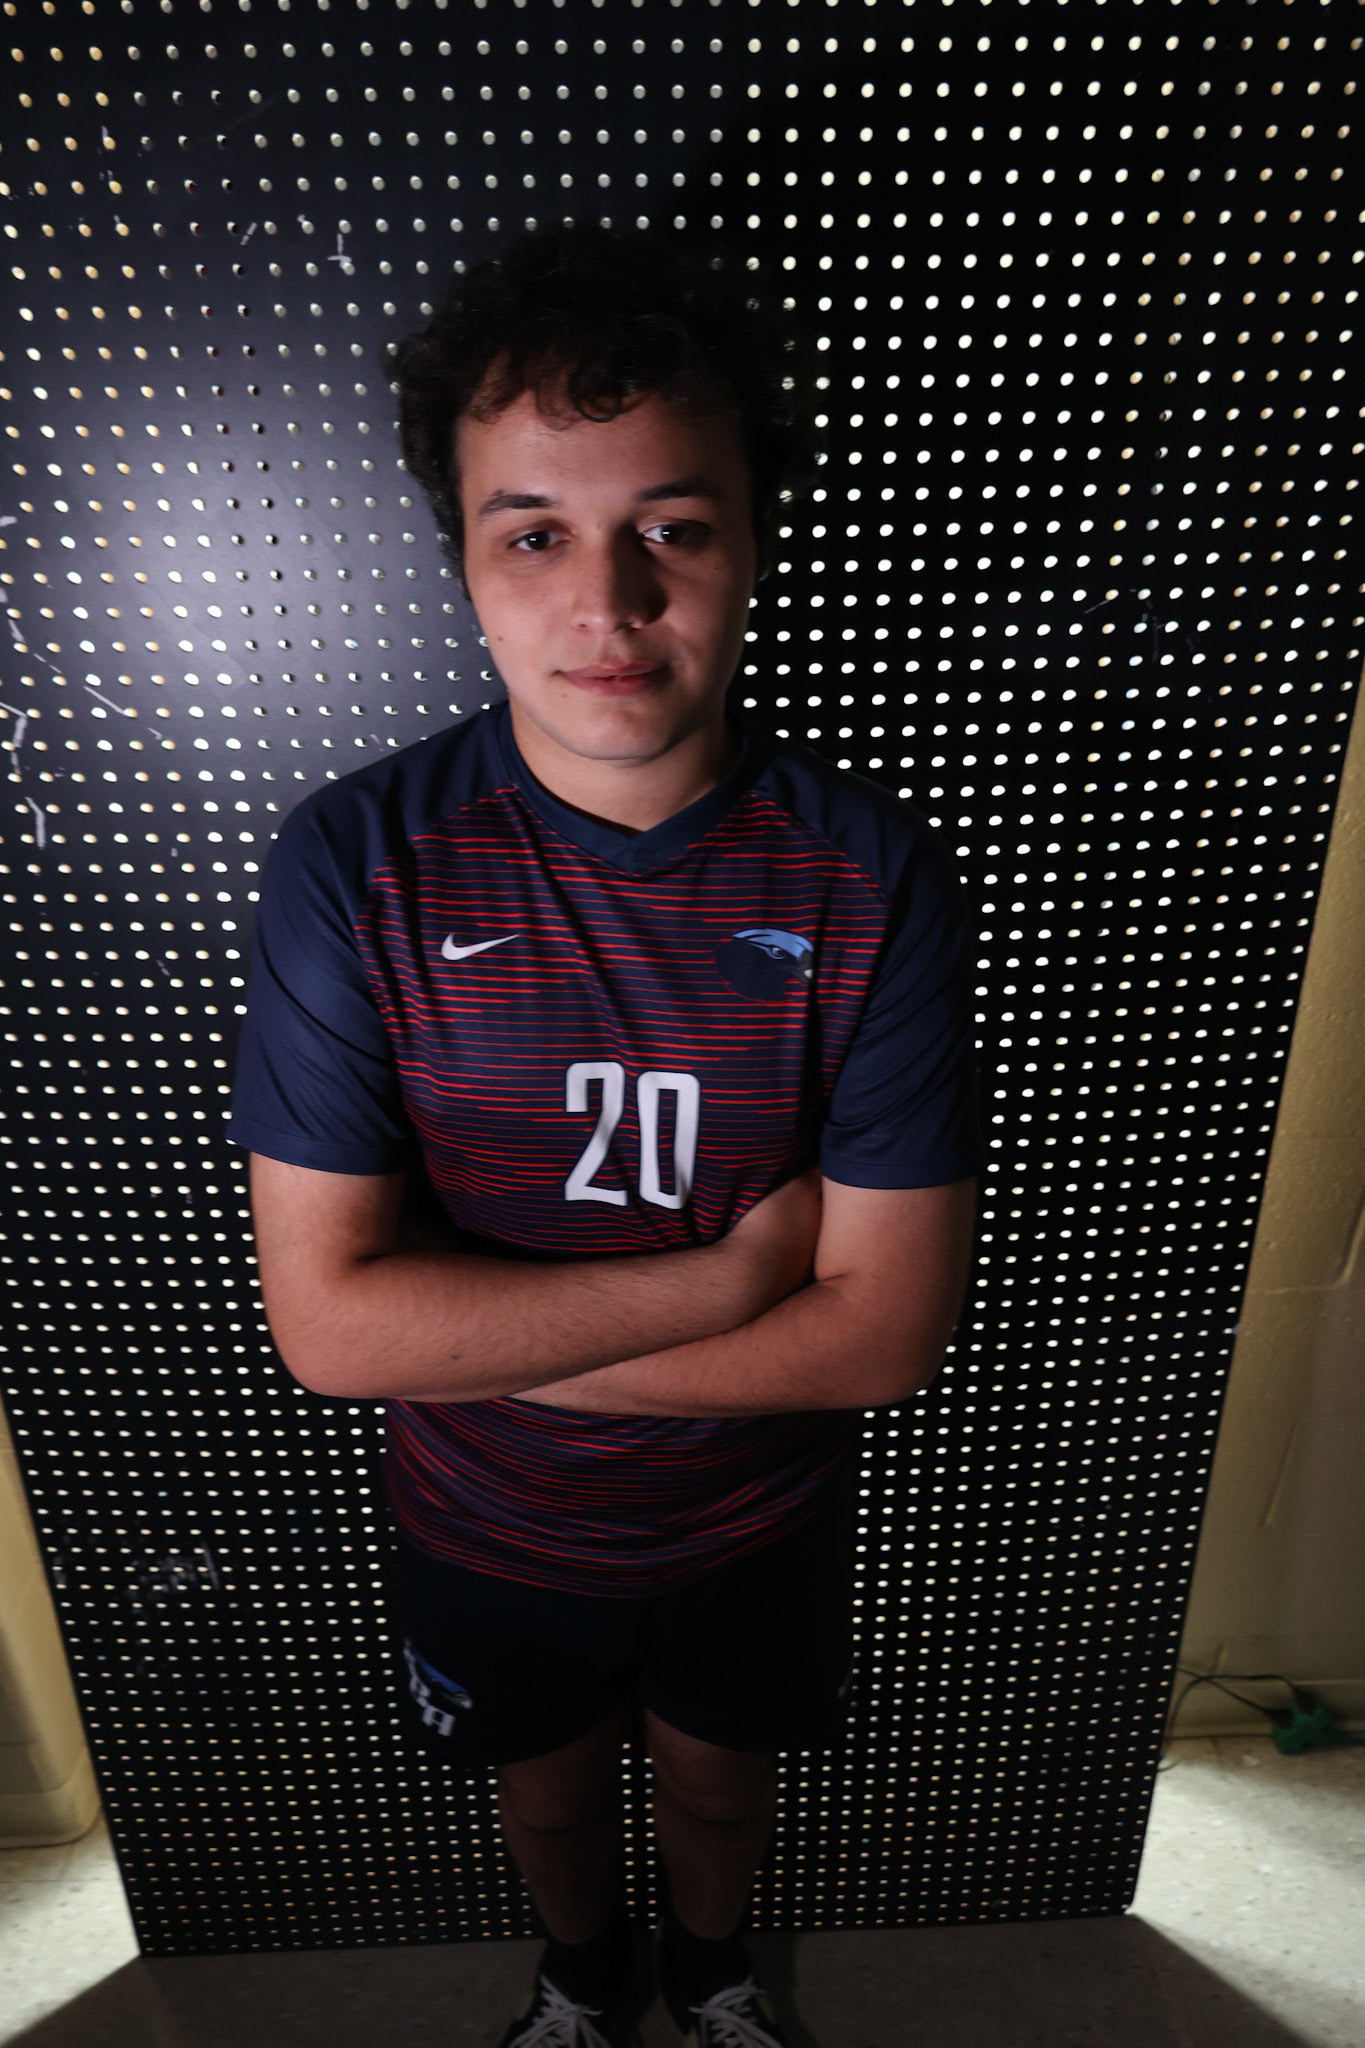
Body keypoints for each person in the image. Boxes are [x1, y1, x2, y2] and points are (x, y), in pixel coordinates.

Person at [227, 218, 982, 2048]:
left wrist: (476, 1340)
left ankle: (710, 1980)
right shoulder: (358, 865)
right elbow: (330, 1334)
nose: (609, 605)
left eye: (673, 528)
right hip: (481, 1529)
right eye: (536, 533)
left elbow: (880, 1337)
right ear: (467, 566)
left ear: (748, 540)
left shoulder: (870, 876)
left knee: (720, 1793)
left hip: (754, 1527)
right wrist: (729, 1278)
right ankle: (582, 1984)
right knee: (546, 1797)